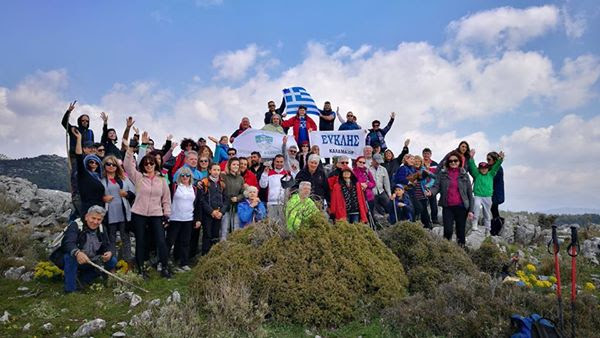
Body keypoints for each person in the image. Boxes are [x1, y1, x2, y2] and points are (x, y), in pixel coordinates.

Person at [124, 146, 172, 279]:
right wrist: (130, 151)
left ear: (155, 164)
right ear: (143, 166)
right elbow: (127, 166)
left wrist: (167, 215)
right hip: (139, 213)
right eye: (146, 163)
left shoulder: (162, 180)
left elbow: (166, 199)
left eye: (151, 163)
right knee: (140, 241)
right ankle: (141, 269)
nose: (149, 165)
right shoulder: (138, 177)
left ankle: (165, 268)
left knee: (161, 241)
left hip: (156, 214)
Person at [52, 206, 117, 293]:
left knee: (112, 261)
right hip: (73, 259)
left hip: (90, 259)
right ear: (87, 217)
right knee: (70, 256)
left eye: (99, 219)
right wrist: (77, 252)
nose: (95, 222)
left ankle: (82, 279)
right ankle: (70, 290)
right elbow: (68, 243)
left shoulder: (101, 228)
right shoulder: (76, 225)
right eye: (93, 218)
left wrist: (109, 252)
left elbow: (108, 244)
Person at [430, 151, 474, 247]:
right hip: (448, 207)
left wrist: (471, 210)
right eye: (450, 161)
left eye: (455, 160)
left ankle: (461, 251)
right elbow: (436, 187)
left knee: (460, 232)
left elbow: (470, 194)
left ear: (459, 162)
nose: (453, 162)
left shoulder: (464, 175)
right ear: (447, 163)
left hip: (461, 207)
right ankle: (446, 251)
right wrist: (431, 192)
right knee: (448, 231)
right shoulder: (442, 175)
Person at [100, 155, 135, 264]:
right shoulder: (101, 180)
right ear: (104, 165)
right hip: (109, 214)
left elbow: (133, 193)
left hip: (123, 213)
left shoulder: (124, 179)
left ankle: (128, 263)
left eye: (114, 164)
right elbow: (97, 195)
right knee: (111, 240)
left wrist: (126, 194)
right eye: (108, 164)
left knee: (125, 238)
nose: (111, 166)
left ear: (117, 166)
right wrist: (103, 198)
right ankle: (112, 264)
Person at [467, 150, 504, 233]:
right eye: (482, 168)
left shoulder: (492, 173)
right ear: (479, 169)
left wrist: (500, 159)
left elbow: (496, 167)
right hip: (479, 195)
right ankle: (475, 223)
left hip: (490, 195)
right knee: (476, 206)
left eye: (489, 159)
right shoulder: (478, 174)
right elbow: (472, 167)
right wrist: (471, 158)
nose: (484, 169)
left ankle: (490, 228)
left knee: (489, 213)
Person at [197, 163, 228, 255]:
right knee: (207, 235)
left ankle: (213, 256)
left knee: (215, 235)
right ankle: (205, 256)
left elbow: (226, 200)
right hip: (208, 214)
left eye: (218, 170)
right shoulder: (204, 182)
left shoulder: (222, 184)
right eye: (214, 170)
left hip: (218, 213)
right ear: (209, 170)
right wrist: (211, 211)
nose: (216, 172)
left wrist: (221, 212)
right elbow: (202, 200)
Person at [73, 129, 105, 215]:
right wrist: (79, 139)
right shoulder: (84, 173)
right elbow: (79, 157)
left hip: (99, 207)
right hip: (87, 207)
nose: (94, 164)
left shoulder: (100, 176)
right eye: (91, 162)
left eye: (96, 162)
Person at [220, 157, 245, 240]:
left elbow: (243, 193)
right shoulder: (223, 176)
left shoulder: (240, 178)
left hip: (236, 206)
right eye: (234, 164)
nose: (236, 166)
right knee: (225, 228)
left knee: (235, 228)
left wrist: (237, 198)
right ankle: (222, 247)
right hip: (225, 206)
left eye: (237, 165)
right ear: (229, 165)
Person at [259, 155, 289, 222]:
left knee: (282, 225)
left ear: (284, 162)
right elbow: (263, 185)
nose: (279, 163)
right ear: (274, 162)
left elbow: (289, 190)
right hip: (271, 203)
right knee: (272, 225)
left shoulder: (287, 174)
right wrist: (264, 173)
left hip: (283, 204)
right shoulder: (269, 173)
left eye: (281, 162)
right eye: (277, 161)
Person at [412, 155, 432, 229]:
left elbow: (433, 178)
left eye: (419, 161)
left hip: (422, 192)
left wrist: (428, 185)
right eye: (415, 161)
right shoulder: (411, 170)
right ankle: (414, 226)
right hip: (413, 193)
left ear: (421, 162)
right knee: (415, 210)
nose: (417, 162)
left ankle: (427, 226)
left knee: (424, 210)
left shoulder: (424, 170)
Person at [422, 147, 439, 224]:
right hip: (422, 187)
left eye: (428, 153)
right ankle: (425, 221)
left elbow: (437, 176)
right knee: (423, 204)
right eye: (425, 153)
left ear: (430, 154)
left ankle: (434, 219)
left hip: (432, 188)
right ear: (422, 154)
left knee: (433, 204)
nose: (426, 155)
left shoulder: (435, 164)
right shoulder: (420, 163)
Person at [487, 151, 505, 221]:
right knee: (493, 208)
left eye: (489, 159)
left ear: (494, 160)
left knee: (493, 208)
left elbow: (492, 178)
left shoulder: (498, 168)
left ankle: (498, 222)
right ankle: (497, 221)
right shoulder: (492, 168)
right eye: (487, 159)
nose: (487, 161)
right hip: (493, 192)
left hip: (496, 193)